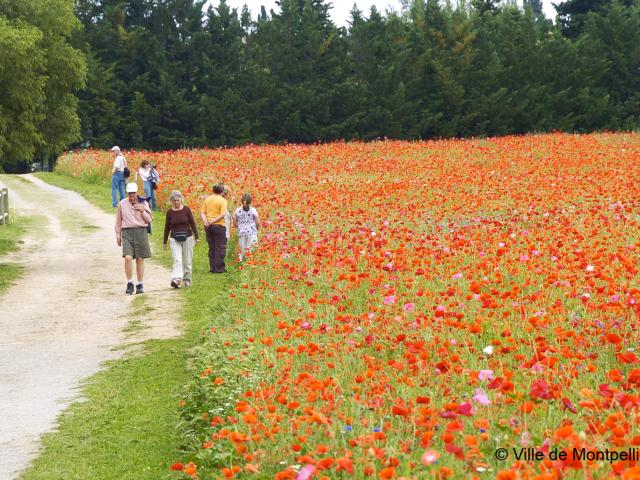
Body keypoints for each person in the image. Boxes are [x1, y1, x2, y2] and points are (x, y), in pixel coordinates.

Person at [115, 182, 153, 294]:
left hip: (141, 231)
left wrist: (142, 210)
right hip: (127, 232)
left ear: (137, 192)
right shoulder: (122, 203)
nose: (131, 195)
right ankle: (130, 282)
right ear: (127, 193)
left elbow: (150, 219)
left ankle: (140, 284)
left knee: (140, 259)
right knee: (128, 257)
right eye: (129, 193)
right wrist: (118, 235)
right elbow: (118, 221)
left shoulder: (143, 202)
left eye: (133, 193)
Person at [163, 190, 199, 288]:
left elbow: (192, 223)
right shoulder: (169, 212)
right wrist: (165, 242)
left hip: (187, 238)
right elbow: (167, 227)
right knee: (177, 259)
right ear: (171, 201)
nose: (176, 202)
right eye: (174, 201)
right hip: (174, 239)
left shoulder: (186, 210)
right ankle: (177, 279)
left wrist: (197, 237)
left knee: (187, 261)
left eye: (178, 200)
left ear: (181, 200)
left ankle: (187, 280)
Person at [201, 183, 228, 273]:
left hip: (208, 226)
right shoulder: (223, 200)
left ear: (213, 190)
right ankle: (219, 268)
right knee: (220, 247)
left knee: (212, 247)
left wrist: (206, 222)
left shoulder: (208, 199)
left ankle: (212, 268)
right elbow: (222, 214)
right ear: (221, 191)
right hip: (219, 225)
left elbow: (203, 212)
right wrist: (212, 221)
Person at [233, 193, 260, 262]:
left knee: (242, 249)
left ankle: (241, 263)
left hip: (241, 232)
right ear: (250, 201)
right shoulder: (253, 210)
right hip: (251, 231)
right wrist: (256, 230)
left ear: (242, 201)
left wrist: (240, 228)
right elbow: (258, 222)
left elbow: (234, 223)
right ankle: (249, 263)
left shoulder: (237, 211)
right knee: (250, 249)